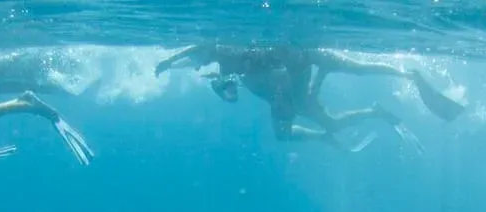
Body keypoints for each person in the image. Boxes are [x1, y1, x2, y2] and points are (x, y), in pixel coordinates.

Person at [154, 44, 463, 150]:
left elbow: (358, 68)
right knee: (315, 129)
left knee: (352, 72)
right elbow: (201, 54)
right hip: (286, 98)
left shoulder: (302, 56)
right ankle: (374, 111)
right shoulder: (226, 63)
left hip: (297, 92)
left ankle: (404, 78)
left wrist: (315, 83)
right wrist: (170, 63)